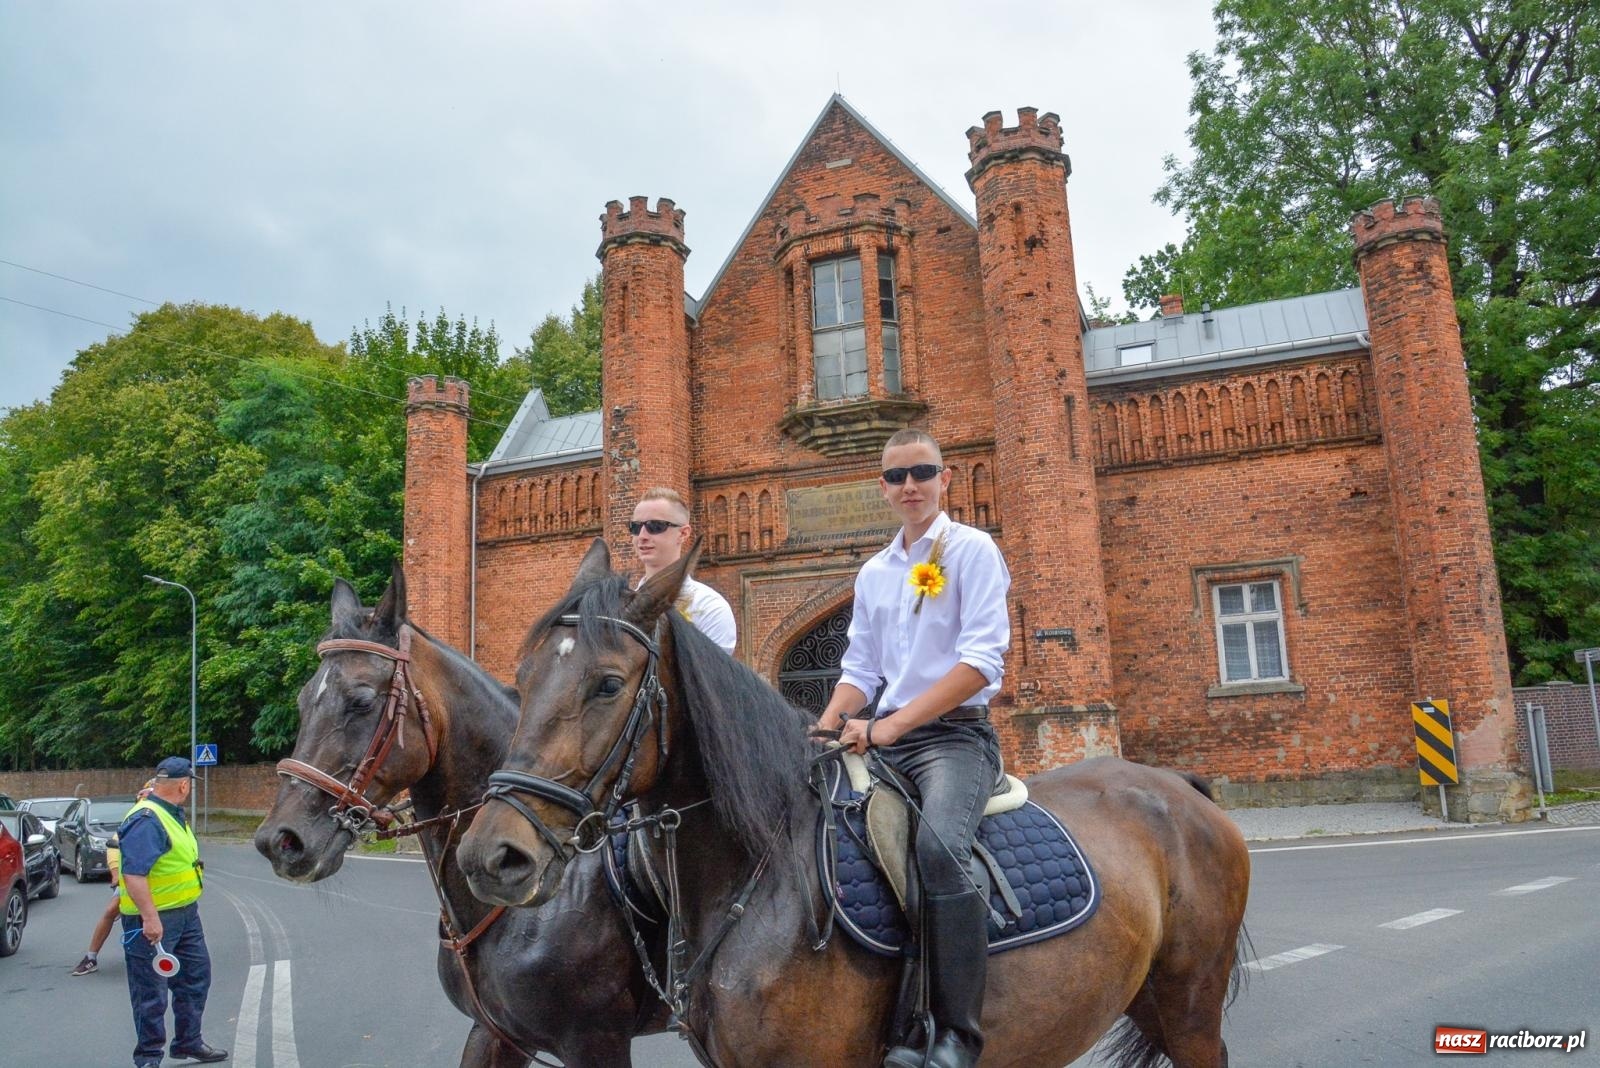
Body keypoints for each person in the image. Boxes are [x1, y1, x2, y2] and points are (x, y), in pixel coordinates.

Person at [816, 428, 1010, 1068]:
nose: (910, 486)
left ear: (944, 479)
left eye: (922, 473)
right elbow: (860, 671)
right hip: (883, 737)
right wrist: (822, 732)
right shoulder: (875, 572)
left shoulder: (973, 551)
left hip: (953, 738)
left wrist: (890, 728)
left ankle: (955, 1033)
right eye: (897, 476)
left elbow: (981, 663)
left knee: (936, 847)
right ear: (882, 487)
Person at [117, 757, 227, 1067]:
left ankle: (188, 1042)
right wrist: (150, 918)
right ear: (183, 784)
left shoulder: (169, 813)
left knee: (195, 978)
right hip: (153, 920)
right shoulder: (148, 818)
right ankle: (149, 1057)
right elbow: (134, 874)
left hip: (186, 915)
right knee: (150, 992)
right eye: (190, 784)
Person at [630, 486, 737, 653]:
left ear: (683, 533)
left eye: (655, 526)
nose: (642, 536)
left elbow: (709, 677)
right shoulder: (623, 606)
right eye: (635, 527)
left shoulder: (708, 607)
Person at [71, 779, 155, 977]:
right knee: (110, 911)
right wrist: (116, 873)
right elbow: (114, 846)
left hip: (161, 882)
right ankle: (91, 957)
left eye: (150, 795)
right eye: (144, 795)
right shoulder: (134, 818)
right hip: (134, 879)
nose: (146, 798)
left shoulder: (170, 818)